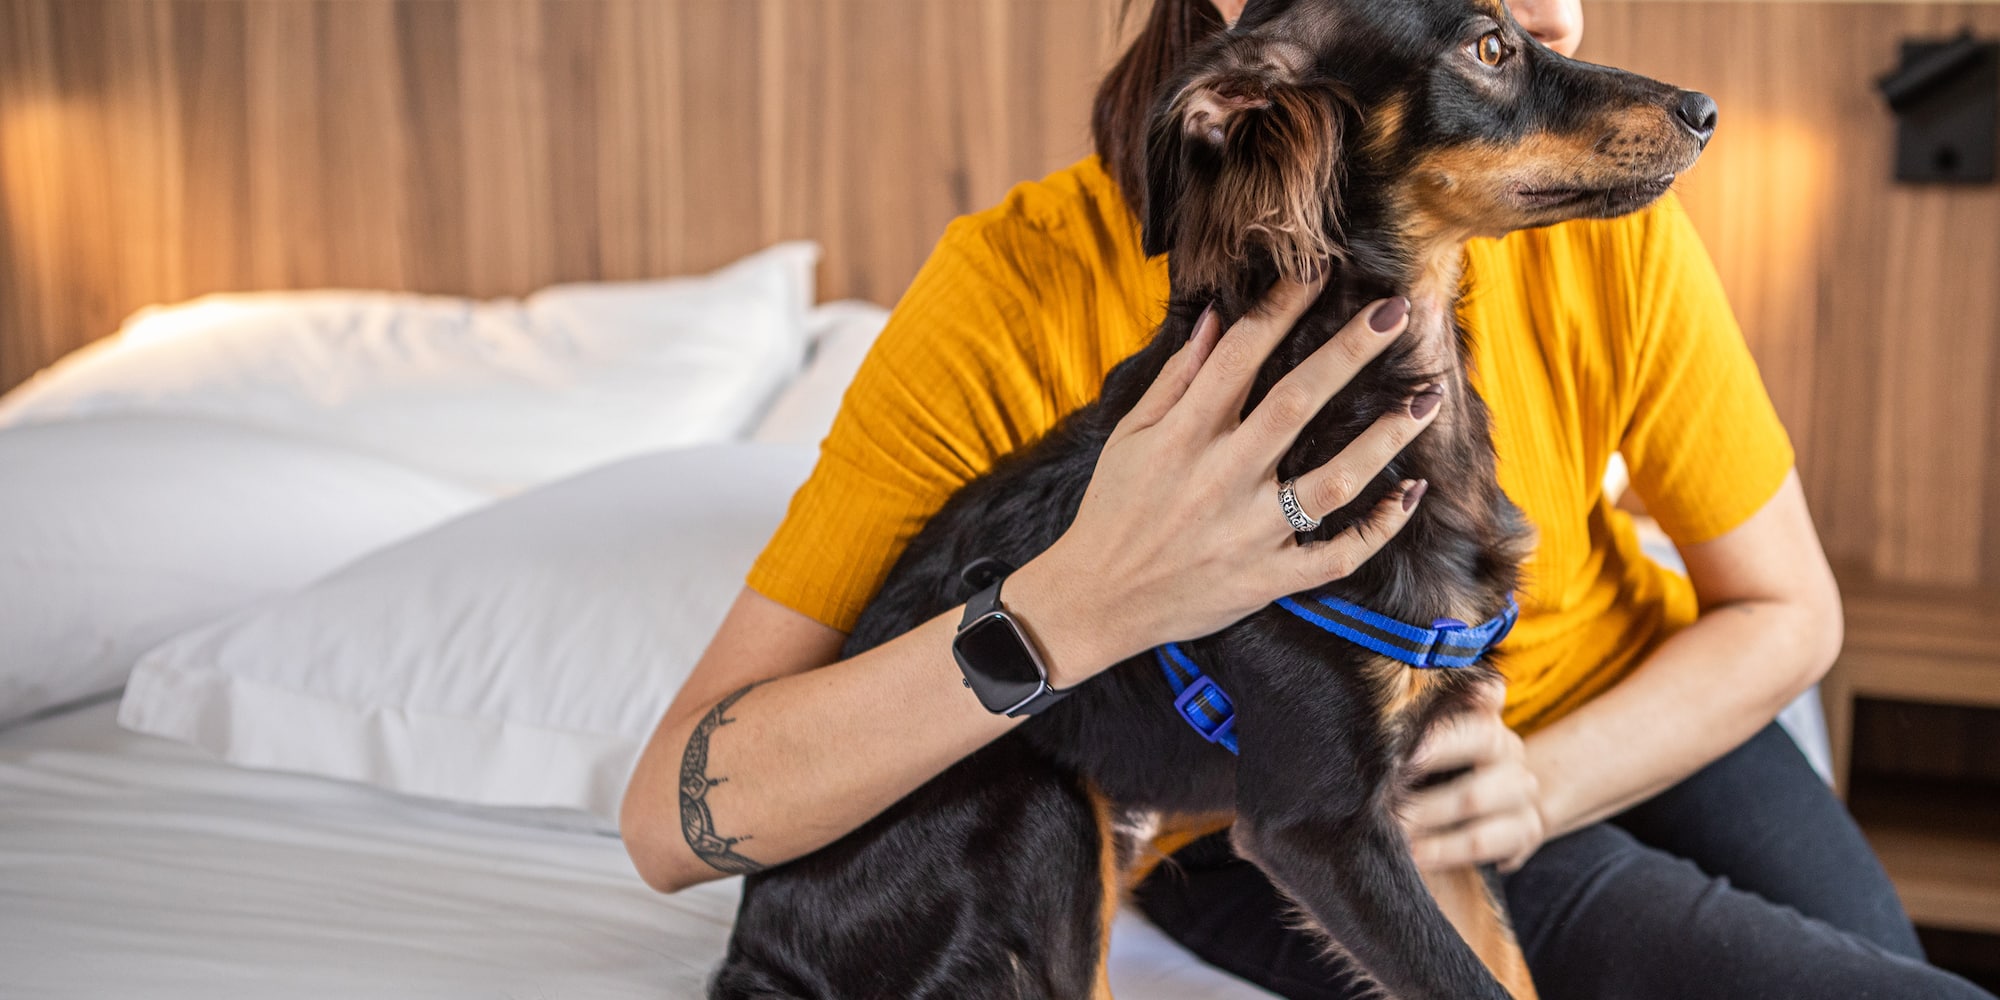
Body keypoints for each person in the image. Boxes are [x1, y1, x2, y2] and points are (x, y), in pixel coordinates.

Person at [620, 1, 1996, 996]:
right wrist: (1071, 607)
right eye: (1496, 32)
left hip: (1632, 707)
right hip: (1338, 777)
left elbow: (1788, 614)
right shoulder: (1015, 289)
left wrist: (1548, 782)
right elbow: (668, 823)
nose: (1564, 20)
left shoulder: (1590, 220)